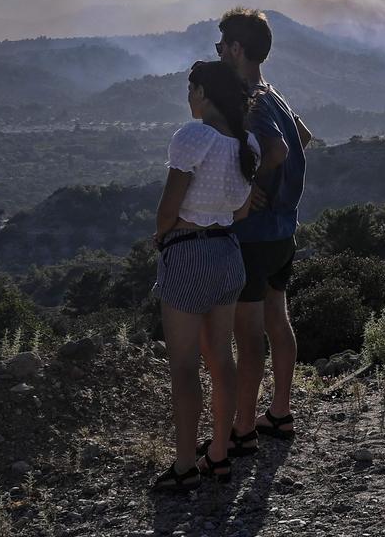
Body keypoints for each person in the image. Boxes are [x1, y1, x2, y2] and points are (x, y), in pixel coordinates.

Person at [150, 61, 260, 492]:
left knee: (183, 366)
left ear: (203, 93)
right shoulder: (245, 143)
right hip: (227, 253)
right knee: (221, 358)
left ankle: (183, 466)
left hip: (188, 252)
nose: (189, 98)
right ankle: (218, 455)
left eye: (191, 89)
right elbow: (242, 211)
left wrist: (161, 236)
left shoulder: (193, 137)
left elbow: (167, 208)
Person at [216, 8, 312, 455]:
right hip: (284, 230)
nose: (218, 53)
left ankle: (241, 429)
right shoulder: (273, 93)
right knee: (278, 318)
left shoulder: (249, 98)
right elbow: (303, 136)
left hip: (254, 235)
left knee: (249, 333)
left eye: (220, 46)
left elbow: (276, 147)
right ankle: (279, 411)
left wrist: (250, 187)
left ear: (236, 49)